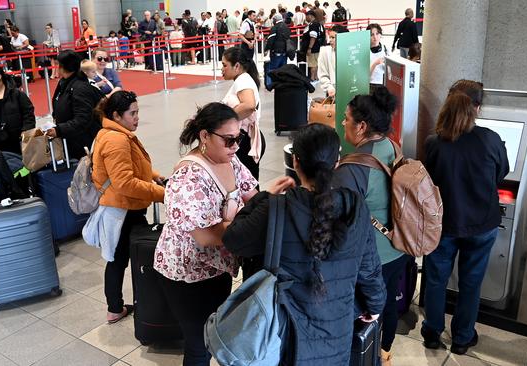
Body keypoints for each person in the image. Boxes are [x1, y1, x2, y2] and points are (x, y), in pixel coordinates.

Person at [223, 123, 386, 365]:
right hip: (337, 332)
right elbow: (369, 268)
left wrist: (263, 196)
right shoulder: (354, 207)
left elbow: (233, 239)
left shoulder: (276, 208)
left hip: (286, 336)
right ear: (337, 162)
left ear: (295, 162)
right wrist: (375, 304)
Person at [154, 102, 258, 366]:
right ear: (204, 136)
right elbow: (205, 236)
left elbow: (253, 198)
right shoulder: (188, 176)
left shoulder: (231, 161)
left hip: (218, 266)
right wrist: (249, 225)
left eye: (239, 138)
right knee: (199, 344)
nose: (236, 146)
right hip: (187, 273)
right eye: (229, 140)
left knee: (213, 334)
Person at [422, 80, 509, 356]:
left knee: (435, 278)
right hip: (482, 225)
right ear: (478, 108)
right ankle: (462, 338)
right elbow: (501, 173)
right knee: (471, 281)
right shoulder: (491, 139)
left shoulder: (434, 142)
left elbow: (430, 182)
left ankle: (432, 334)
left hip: (443, 225)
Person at [332, 86, 409, 366]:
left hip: (369, 260)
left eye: (346, 118)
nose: (343, 123)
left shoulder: (353, 169)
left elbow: (340, 223)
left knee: (363, 311)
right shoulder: (391, 146)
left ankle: (364, 356)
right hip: (399, 247)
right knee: (386, 303)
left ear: (362, 126)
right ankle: (384, 352)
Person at [91, 90, 165, 324]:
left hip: (123, 207)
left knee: (119, 258)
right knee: (125, 259)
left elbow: (131, 165)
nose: (137, 118)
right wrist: (162, 194)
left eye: (137, 112)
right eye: (132, 113)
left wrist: (153, 175)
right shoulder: (116, 139)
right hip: (123, 209)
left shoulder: (112, 132)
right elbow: (124, 182)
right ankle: (120, 307)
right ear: (116, 115)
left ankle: (117, 306)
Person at [47, 51, 104, 159]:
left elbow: (83, 118)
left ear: (63, 67)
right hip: (71, 139)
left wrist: (59, 130)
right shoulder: (64, 82)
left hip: (84, 143)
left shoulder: (80, 87)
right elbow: (58, 101)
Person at [221, 47, 265, 181]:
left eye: (224, 65)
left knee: (246, 184)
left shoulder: (243, 80)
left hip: (244, 140)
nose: (222, 69)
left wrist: (224, 120)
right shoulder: (243, 79)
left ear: (237, 66)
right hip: (245, 139)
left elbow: (249, 105)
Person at [318, 24, 348, 97]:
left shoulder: (350, 52)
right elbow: (322, 74)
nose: (330, 40)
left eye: (333, 37)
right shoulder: (325, 52)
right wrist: (329, 87)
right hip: (332, 92)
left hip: (349, 90)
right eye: (329, 37)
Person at [264, 13, 290, 88]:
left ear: (275, 20)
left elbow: (271, 40)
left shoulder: (275, 28)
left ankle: (273, 84)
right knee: (283, 70)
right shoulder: (286, 27)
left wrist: (266, 49)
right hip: (285, 52)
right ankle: (282, 84)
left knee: (273, 69)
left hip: (276, 52)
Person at [302, 10, 324, 81]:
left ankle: (312, 78)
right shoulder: (318, 23)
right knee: (316, 63)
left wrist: (309, 48)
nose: (305, 18)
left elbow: (313, 37)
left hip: (313, 48)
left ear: (310, 16)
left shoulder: (313, 24)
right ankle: (316, 77)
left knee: (312, 64)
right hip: (317, 47)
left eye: (306, 16)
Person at [367, 23, 389, 89]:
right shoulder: (365, 51)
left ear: (380, 34)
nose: (375, 37)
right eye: (372, 35)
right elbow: (365, 76)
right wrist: (375, 64)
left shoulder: (385, 48)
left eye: (377, 34)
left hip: (383, 84)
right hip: (370, 85)